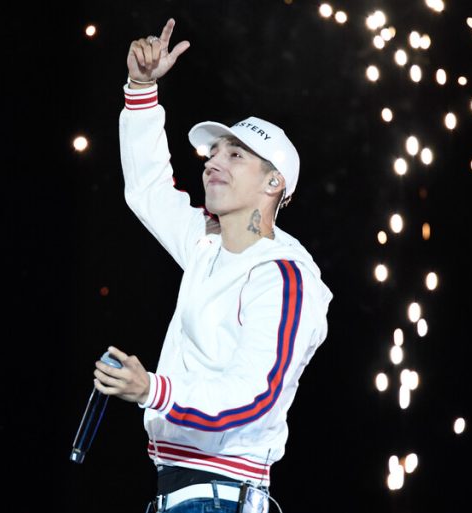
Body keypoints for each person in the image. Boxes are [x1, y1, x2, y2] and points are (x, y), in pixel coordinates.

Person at [93, 17, 333, 513]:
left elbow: (255, 395)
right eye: (213, 152)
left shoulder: (284, 277)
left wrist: (152, 389)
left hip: (221, 494)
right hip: (182, 492)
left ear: (273, 184)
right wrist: (141, 88)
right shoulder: (208, 246)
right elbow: (148, 189)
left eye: (235, 155)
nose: (212, 162)